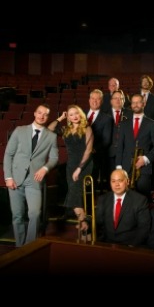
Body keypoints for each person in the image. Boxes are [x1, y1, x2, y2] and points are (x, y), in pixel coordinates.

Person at [3, 104, 59, 247]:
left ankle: (29, 247)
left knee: (35, 214)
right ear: (34, 113)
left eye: (45, 114)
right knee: (17, 216)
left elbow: (54, 158)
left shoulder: (51, 136)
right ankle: (19, 246)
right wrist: (8, 177)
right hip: (15, 179)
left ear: (48, 117)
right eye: (39, 113)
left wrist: (45, 169)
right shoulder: (19, 130)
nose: (41, 116)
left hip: (35, 180)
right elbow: (8, 154)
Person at [48, 105, 94, 234]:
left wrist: (79, 168)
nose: (74, 116)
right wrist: (60, 117)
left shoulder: (87, 128)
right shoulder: (65, 129)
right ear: (68, 116)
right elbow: (49, 129)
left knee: (75, 191)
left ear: (80, 115)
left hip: (84, 164)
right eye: (71, 114)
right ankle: (84, 222)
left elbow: (88, 151)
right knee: (74, 191)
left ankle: (83, 221)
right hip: (71, 165)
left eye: (76, 113)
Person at [115, 94, 154, 199]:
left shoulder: (151, 124)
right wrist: (118, 167)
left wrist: (145, 159)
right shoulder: (123, 124)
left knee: (143, 197)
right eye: (133, 102)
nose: (136, 105)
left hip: (143, 169)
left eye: (138, 102)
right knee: (125, 198)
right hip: (125, 167)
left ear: (144, 104)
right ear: (131, 105)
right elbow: (119, 148)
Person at [96, 169, 151, 247]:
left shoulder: (140, 200)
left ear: (127, 181)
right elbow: (98, 222)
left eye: (120, 181)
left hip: (129, 246)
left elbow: (144, 229)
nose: (116, 184)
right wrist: (86, 223)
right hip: (106, 244)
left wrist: (132, 246)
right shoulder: (103, 199)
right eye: (113, 181)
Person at [85, 89, 113, 193]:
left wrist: (91, 150)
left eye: (98, 99)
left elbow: (106, 140)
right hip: (79, 154)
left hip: (95, 156)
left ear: (101, 101)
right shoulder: (81, 114)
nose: (94, 101)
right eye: (92, 98)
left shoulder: (107, 118)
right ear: (89, 100)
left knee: (90, 184)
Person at [107, 89, 133, 178]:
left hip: (125, 153)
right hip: (109, 152)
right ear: (111, 101)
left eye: (121, 98)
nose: (118, 100)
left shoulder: (131, 114)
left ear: (124, 101)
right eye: (115, 98)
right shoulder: (105, 114)